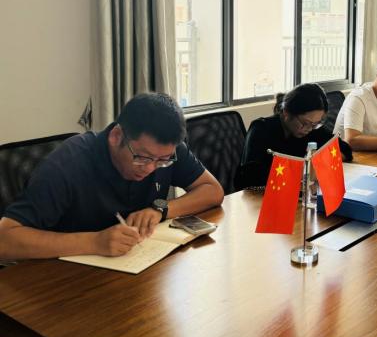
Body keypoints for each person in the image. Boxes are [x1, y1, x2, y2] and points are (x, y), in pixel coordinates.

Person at [0, 93, 224, 260]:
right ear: (116, 136)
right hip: (66, 280)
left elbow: (212, 190)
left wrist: (161, 209)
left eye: (162, 160)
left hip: (136, 272)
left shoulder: (166, 151)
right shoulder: (68, 164)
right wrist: (94, 241)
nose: (151, 168)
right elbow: (5, 240)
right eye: (142, 157)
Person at [235, 83, 353, 189]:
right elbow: (249, 178)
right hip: (264, 197)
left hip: (298, 193)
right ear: (286, 112)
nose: (309, 129)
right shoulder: (261, 129)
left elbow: (345, 149)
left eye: (315, 124)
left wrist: (318, 164)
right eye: (305, 123)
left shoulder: (312, 129)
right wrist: (303, 170)